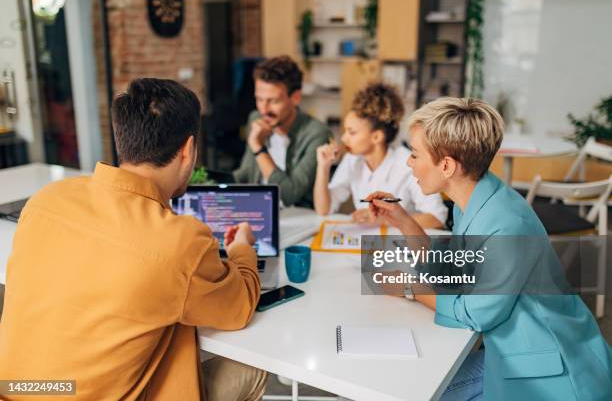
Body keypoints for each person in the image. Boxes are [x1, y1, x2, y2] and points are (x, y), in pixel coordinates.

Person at [0, 78, 268, 400]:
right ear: (188, 150)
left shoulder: (47, 199)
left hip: (15, 390)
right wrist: (242, 251)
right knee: (252, 367)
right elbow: (237, 308)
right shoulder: (179, 240)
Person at [367, 97, 611, 400]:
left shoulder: (506, 224)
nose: (408, 161)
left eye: (415, 154)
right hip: (518, 355)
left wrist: (408, 286)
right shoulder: (477, 197)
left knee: (416, 390)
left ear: (446, 165)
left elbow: (476, 313)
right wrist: (404, 222)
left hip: (554, 378)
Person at [314, 82, 447, 229]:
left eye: (352, 132)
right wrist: (323, 167)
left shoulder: (408, 163)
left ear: (376, 137)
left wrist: (384, 220)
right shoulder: (352, 160)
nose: (344, 138)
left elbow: (437, 218)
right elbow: (324, 209)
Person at [233, 56, 332, 208]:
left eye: (273, 101)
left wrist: (258, 148)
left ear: (296, 98)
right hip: (259, 210)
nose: (264, 110)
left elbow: (289, 195)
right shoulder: (256, 118)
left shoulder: (317, 133)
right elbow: (246, 173)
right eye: (259, 99)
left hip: (298, 217)